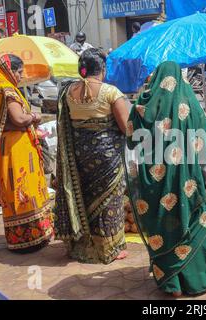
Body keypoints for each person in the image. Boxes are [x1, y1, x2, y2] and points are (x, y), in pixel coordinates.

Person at [125, 61, 206, 297]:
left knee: (162, 227)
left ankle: (172, 284)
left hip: (154, 183)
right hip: (186, 181)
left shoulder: (143, 104)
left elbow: (130, 138)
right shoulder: (188, 100)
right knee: (197, 224)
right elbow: (203, 141)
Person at [54, 48, 129, 264]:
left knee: (85, 198)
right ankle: (109, 249)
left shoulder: (68, 92)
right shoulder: (111, 92)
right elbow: (126, 128)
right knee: (109, 202)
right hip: (107, 157)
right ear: (103, 69)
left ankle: (84, 244)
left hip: (79, 155)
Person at [0, 55, 54, 253]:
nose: (21, 76)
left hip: (3, 148)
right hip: (17, 148)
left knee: (11, 192)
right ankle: (33, 237)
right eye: (19, 71)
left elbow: (3, 121)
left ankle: (17, 238)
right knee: (24, 189)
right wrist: (35, 116)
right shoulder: (5, 89)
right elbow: (19, 118)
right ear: (9, 70)